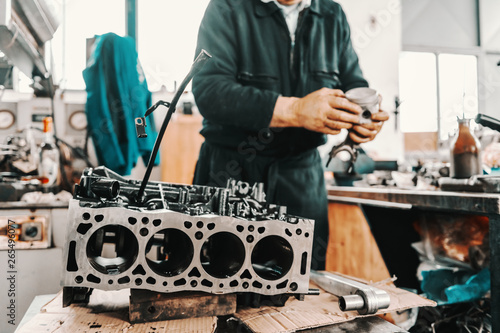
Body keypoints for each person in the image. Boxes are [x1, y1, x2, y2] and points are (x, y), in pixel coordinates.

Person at [191, 0, 389, 270]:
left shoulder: (331, 14)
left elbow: (353, 83)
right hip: (233, 171)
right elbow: (210, 91)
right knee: (221, 281)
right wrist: (296, 110)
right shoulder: (228, 7)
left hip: (301, 176)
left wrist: (364, 117)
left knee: (301, 285)